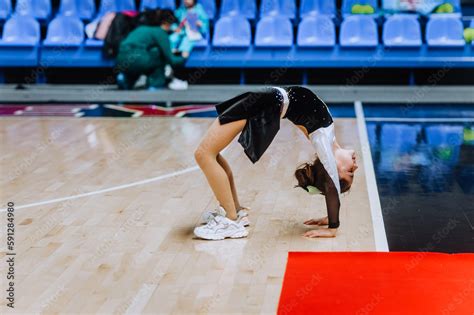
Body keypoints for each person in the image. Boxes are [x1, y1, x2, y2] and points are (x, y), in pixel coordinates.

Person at [193, 86, 359, 240]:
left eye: (350, 172)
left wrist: (333, 228)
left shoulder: (323, 141)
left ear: (333, 169)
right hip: (266, 99)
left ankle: (229, 221)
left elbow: (332, 186)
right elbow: (332, 184)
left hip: (266, 103)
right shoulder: (329, 134)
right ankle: (235, 212)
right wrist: (330, 217)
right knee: (209, 154)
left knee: (204, 154)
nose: (355, 166)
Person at [116, 9, 188, 90]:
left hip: (120, 60)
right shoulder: (161, 33)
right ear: (168, 23)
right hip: (137, 60)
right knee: (159, 56)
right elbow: (171, 60)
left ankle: (125, 79)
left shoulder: (141, 28)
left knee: (138, 61)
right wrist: (184, 58)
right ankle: (154, 84)